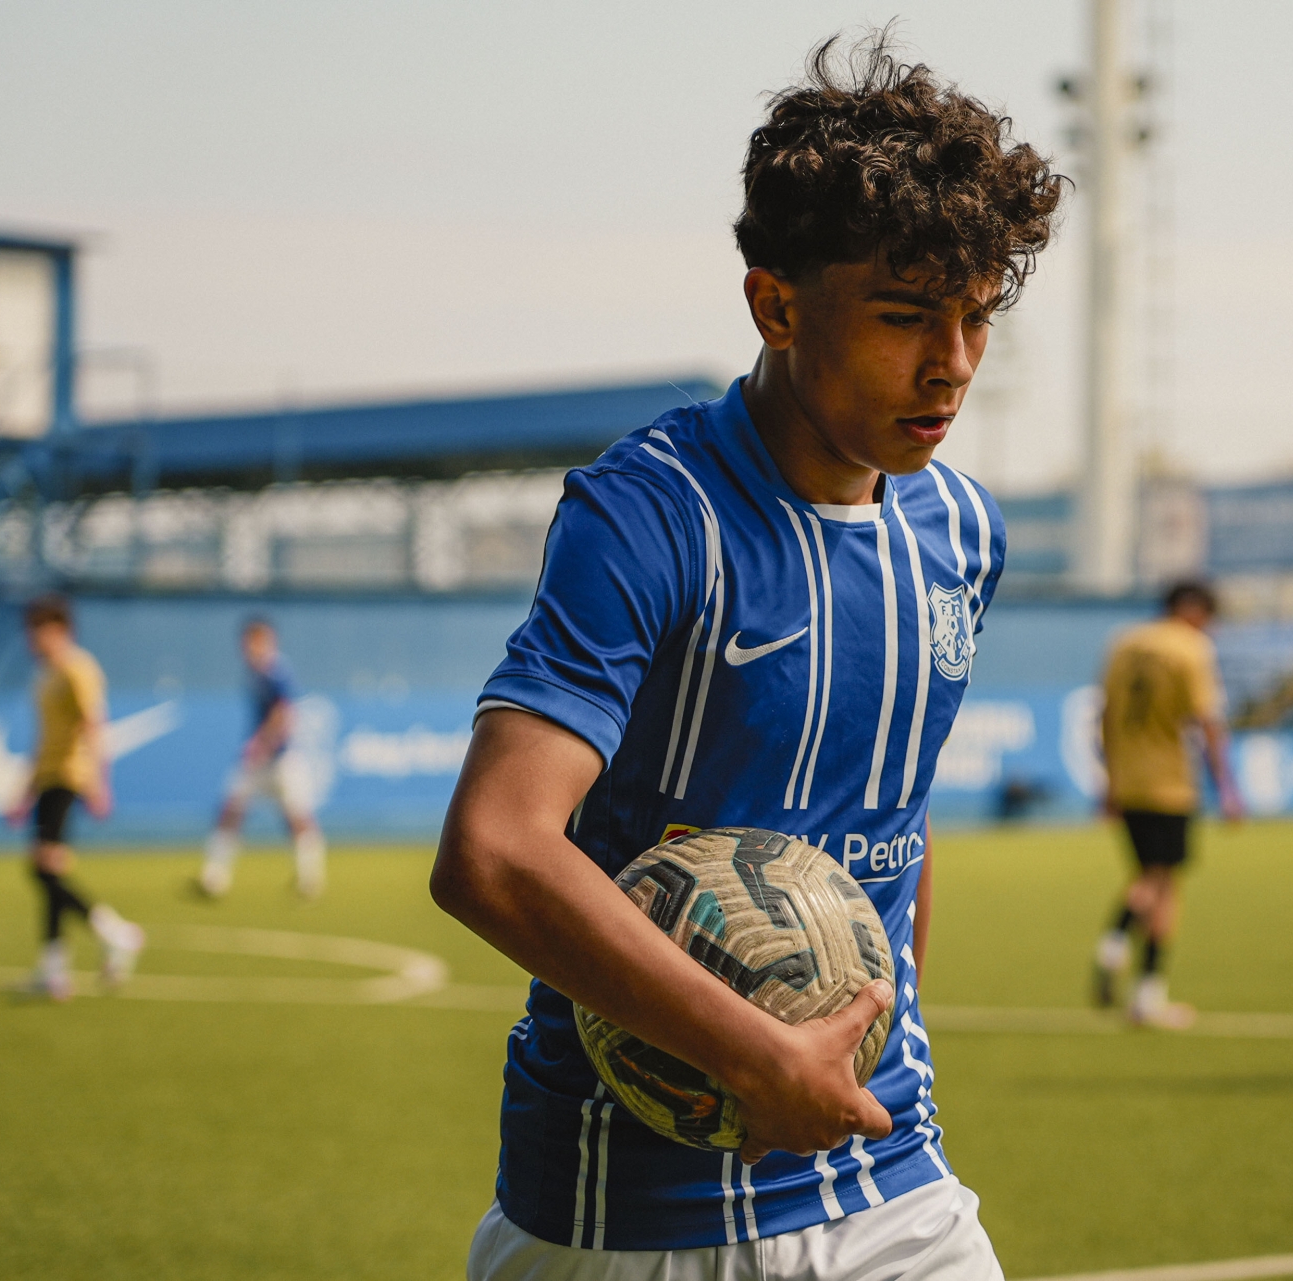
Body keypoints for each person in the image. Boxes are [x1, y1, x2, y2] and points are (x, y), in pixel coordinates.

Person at [431, 35, 1061, 1281]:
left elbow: (894, 813)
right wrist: (755, 1054)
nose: (951, 364)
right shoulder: (650, 514)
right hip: (629, 1211)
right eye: (904, 318)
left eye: (976, 318)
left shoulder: (961, 532)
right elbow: (494, 849)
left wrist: (847, 1044)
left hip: (889, 1172)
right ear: (776, 305)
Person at [1092, 580, 1243, 1029]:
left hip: (1129, 780)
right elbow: (1208, 719)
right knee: (1162, 882)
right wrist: (1227, 787)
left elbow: (1105, 715)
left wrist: (1110, 780)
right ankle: (1123, 953)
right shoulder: (1190, 649)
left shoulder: (1124, 643)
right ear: (1193, 609)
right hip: (1171, 783)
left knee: (1150, 874)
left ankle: (1135, 978)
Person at [8, 595, 145, 1000]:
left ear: (58, 630)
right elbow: (44, 739)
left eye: (37, 631)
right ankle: (54, 971)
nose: (31, 640)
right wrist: (25, 791)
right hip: (48, 778)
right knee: (48, 872)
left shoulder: (77, 668)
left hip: (69, 777)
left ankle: (115, 933)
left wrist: (99, 782)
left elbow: (92, 723)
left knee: (44, 870)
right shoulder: (45, 676)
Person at [197, 617, 327, 899]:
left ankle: (310, 878)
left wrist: (262, 743)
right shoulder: (255, 672)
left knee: (297, 817)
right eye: (246, 643)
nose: (248, 648)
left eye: (254, 642)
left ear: (266, 641)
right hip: (259, 761)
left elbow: (284, 713)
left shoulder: (276, 671)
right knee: (231, 810)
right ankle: (214, 876)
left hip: (281, 760)